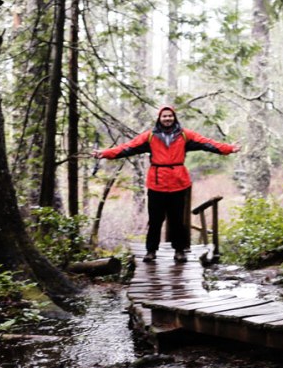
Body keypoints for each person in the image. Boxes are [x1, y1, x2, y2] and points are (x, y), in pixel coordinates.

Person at [93, 106, 239, 263]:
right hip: (157, 183)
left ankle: (179, 251)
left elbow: (207, 143)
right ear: (159, 118)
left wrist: (229, 148)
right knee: (155, 220)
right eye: (164, 116)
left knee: (177, 219)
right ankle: (151, 251)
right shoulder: (150, 136)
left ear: (174, 117)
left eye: (170, 116)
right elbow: (127, 148)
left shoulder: (185, 135)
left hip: (178, 183)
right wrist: (104, 153)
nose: (167, 118)